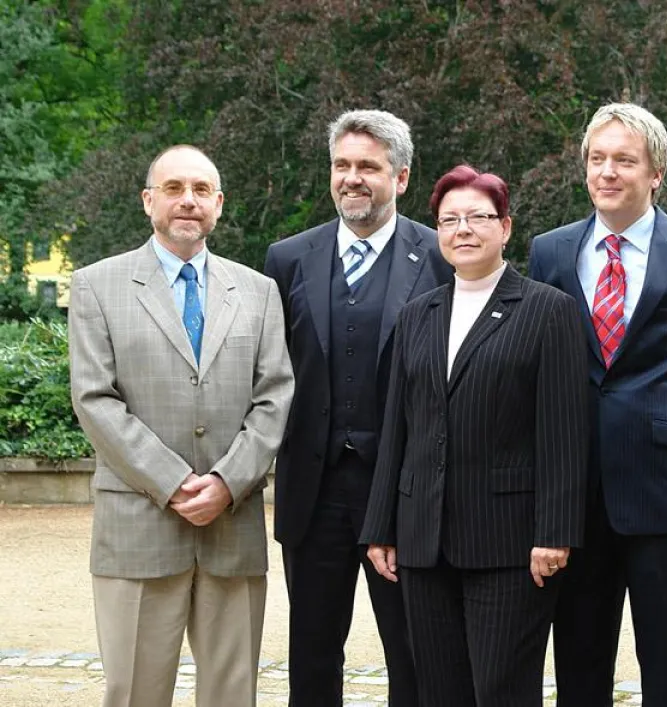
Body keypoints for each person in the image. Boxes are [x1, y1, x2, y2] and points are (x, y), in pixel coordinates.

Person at [68, 145, 295, 707]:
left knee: (232, 694)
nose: (187, 201)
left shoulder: (259, 292)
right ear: (149, 202)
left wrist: (226, 483)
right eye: (173, 189)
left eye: (200, 191)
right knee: (136, 693)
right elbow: (95, 400)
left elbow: (275, 395)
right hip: (139, 527)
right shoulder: (98, 286)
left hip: (231, 527)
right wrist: (171, 482)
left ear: (218, 204)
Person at [528, 102, 667, 706]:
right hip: (576, 495)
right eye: (597, 159)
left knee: (665, 672)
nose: (608, 171)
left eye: (625, 159)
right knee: (578, 665)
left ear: (655, 173)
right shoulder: (551, 252)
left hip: (664, 493)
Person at [361, 164, 589, 706]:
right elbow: (397, 425)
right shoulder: (418, 314)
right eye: (448, 220)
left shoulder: (546, 310)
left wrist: (555, 532)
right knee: (439, 692)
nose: (462, 229)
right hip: (423, 540)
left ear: (505, 228)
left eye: (477, 217)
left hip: (509, 545)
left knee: (502, 691)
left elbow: (563, 430)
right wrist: (380, 526)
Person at [263, 109, 452, 705]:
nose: (352, 178)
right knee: (313, 653)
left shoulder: (442, 257)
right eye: (341, 165)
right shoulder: (288, 258)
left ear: (400, 177)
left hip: (405, 492)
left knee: (413, 653)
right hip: (313, 491)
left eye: (368, 166)